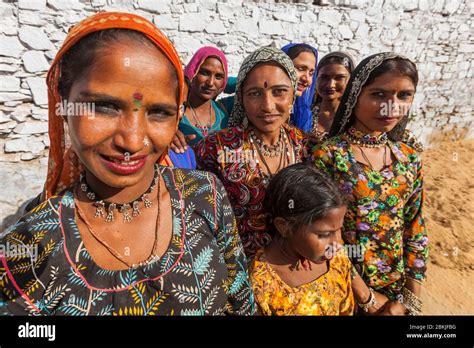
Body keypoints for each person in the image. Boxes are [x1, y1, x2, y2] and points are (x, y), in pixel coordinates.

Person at [0, 12, 254, 316]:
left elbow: (240, 302)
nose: (132, 142)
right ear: (64, 103)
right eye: (104, 107)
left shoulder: (205, 194)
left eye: (159, 112)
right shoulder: (29, 246)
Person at [313, 53, 428, 315]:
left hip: (396, 296)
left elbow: (415, 229)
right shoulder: (329, 156)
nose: (392, 107)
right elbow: (324, 236)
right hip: (344, 292)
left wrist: (409, 299)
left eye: (404, 96)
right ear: (355, 96)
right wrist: (367, 298)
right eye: (378, 94)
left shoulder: (408, 159)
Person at [196, 47, 312, 260]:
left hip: (295, 270)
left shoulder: (307, 147)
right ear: (241, 98)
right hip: (236, 271)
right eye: (255, 94)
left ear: (293, 95)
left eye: (279, 91)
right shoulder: (217, 148)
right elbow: (201, 224)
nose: (267, 106)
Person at [250, 163, 354, 315]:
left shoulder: (335, 258)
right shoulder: (260, 285)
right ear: (284, 226)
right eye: (324, 234)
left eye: (339, 230)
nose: (337, 242)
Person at [171, 46, 229, 153]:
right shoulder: (174, 111)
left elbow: (246, 84)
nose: (210, 83)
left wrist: (224, 85)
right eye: (205, 73)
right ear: (193, 72)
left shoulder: (225, 109)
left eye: (219, 76)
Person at [312, 51, 355, 141]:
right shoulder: (304, 114)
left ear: (351, 80)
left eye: (339, 78)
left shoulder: (356, 118)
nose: (330, 85)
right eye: (324, 77)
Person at [281, 43, 318, 134]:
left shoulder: (304, 113)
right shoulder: (266, 108)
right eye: (301, 69)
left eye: (311, 73)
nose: (307, 79)